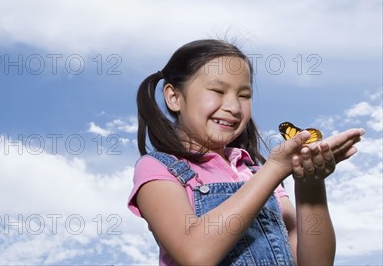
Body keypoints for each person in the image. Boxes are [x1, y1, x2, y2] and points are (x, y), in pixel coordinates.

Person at [127, 39, 365, 266]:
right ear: (174, 97)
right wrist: (274, 170)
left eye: (244, 95)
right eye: (218, 91)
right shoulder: (157, 168)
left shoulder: (255, 173)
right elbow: (195, 254)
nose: (233, 107)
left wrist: (310, 185)